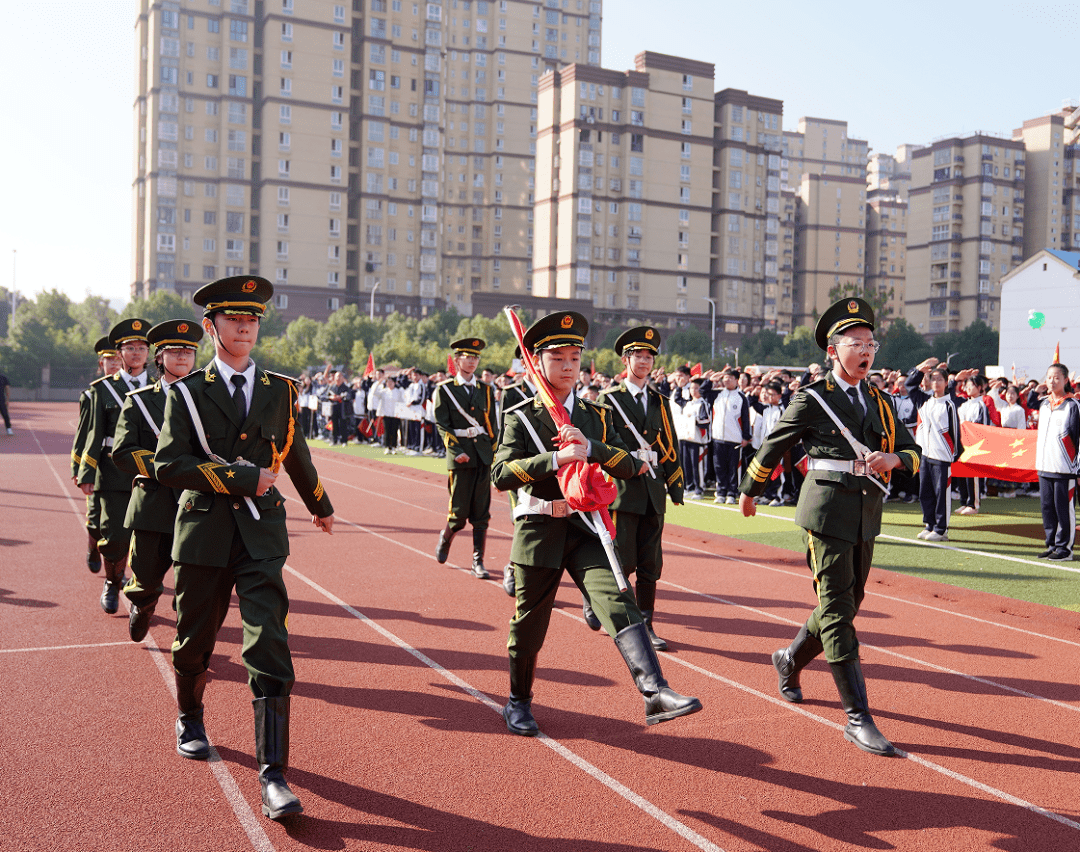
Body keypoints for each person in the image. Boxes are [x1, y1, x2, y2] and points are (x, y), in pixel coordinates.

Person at [155, 275, 334, 820]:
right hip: (204, 534)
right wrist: (240, 477)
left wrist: (319, 501)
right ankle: (190, 716)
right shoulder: (187, 392)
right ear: (210, 326)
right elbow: (168, 465)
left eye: (252, 318)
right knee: (194, 640)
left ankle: (273, 774)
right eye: (233, 318)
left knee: (269, 645)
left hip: (261, 535)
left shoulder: (281, 389)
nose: (244, 327)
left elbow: (294, 451)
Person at [492, 311, 701, 736]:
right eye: (558, 358)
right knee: (529, 625)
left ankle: (655, 691)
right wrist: (554, 459)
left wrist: (592, 448)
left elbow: (630, 464)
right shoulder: (521, 415)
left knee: (619, 600)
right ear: (538, 361)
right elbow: (501, 474)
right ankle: (518, 700)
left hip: (587, 528)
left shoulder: (595, 414)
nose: (568, 367)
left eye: (574, 358)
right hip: (539, 529)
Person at [739, 298, 921, 757]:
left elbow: (913, 451)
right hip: (825, 512)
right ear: (833, 351)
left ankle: (788, 659)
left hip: (866, 513)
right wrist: (750, 489)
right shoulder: (813, 398)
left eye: (871, 344)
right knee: (838, 612)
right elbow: (775, 443)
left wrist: (894, 458)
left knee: (848, 602)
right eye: (856, 343)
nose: (866, 351)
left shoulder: (881, 401)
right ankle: (858, 717)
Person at [112, 319, 203, 642]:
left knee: (193, 579)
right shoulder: (138, 401)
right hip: (154, 502)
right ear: (160, 357)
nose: (183, 357)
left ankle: (188, 637)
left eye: (189, 352)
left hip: (196, 503)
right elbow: (123, 452)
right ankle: (144, 603)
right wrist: (168, 467)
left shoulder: (207, 399)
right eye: (175, 351)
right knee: (147, 576)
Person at [598, 327, 683, 651]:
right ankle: (606, 606)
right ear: (626, 360)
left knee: (650, 564)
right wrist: (629, 464)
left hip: (653, 491)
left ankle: (645, 625)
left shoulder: (660, 401)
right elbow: (602, 444)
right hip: (623, 489)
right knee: (623, 560)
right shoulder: (610, 399)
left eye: (649, 357)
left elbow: (670, 444)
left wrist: (675, 485)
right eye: (639, 356)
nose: (645, 362)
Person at [77, 318, 152, 614]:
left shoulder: (161, 388)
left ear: (149, 353)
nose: (136, 353)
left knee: (148, 540)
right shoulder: (103, 389)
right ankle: (112, 581)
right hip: (112, 473)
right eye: (130, 348)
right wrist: (86, 472)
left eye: (141, 348)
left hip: (150, 474)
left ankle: (141, 592)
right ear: (119, 353)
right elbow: (94, 434)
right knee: (116, 537)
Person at [434, 338, 496, 578]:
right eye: (467, 357)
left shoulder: (486, 390)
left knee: (481, 513)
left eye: (475, 357)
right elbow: (442, 424)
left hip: (482, 456)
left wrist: (494, 452)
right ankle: (446, 536)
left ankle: (477, 561)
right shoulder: (445, 389)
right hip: (460, 455)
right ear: (457, 360)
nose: (472, 361)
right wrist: (455, 450)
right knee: (459, 513)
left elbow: (492, 425)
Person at [72, 337, 122, 574]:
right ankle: (93, 547)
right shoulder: (93, 394)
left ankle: (117, 571)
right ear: (101, 363)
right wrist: (79, 468)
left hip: (123, 465)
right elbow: (84, 435)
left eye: (118, 359)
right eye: (109, 360)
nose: (114, 364)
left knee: (121, 524)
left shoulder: (135, 391)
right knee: (95, 519)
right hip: (98, 464)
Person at [497, 348, 536, 595]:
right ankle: (513, 568)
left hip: (549, 467)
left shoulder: (554, 392)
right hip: (521, 467)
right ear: (522, 362)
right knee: (522, 518)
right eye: (530, 357)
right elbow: (504, 434)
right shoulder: (512, 393)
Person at [1035, 363, 1080, 561]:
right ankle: (1052, 544)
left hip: (1065, 468)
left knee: (1064, 509)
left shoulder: (1073, 405)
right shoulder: (1044, 404)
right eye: (1049, 377)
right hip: (1044, 466)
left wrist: (1078, 468)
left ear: (1065, 380)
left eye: (1056, 377)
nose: (1052, 381)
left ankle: (1065, 549)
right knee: (1047, 508)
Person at [913, 367, 961, 542]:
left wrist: (952, 455)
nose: (936, 382)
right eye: (933, 379)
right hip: (925, 454)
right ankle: (930, 524)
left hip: (941, 457)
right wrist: (919, 370)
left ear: (946, 382)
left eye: (940, 379)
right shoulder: (924, 401)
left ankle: (941, 529)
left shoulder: (949, 405)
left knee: (941, 494)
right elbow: (911, 385)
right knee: (925, 492)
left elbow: (955, 432)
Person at [711, 368, 750, 504]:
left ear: (736, 380)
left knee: (733, 468)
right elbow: (703, 391)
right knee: (719, 467)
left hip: (734, 439)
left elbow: (745, 418)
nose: (726, 380)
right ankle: (721, 492)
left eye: (730, 378)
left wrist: (745, 437)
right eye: (725, 378)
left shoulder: (741, 397)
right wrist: (712, 380)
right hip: (718, 437)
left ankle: (732, 493)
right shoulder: (718, 394)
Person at [678, 377, 711, 499]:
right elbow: (676, 398)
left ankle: (699, 488)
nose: (694, 390)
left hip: (697, 439)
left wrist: (693, 420)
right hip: (685, 437)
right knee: (686, 464)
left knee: (697, 465)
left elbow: (706, 420)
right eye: (692, 388)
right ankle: (689, 486)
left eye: (696, 388)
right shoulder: (688, 403)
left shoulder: (702, 403)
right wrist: (680, 386)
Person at [0, 369, 11, 434]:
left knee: (5, 414)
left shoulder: (3, 378)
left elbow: (7, 388)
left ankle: (8, 428)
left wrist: (7, 399)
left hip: (1, 399)